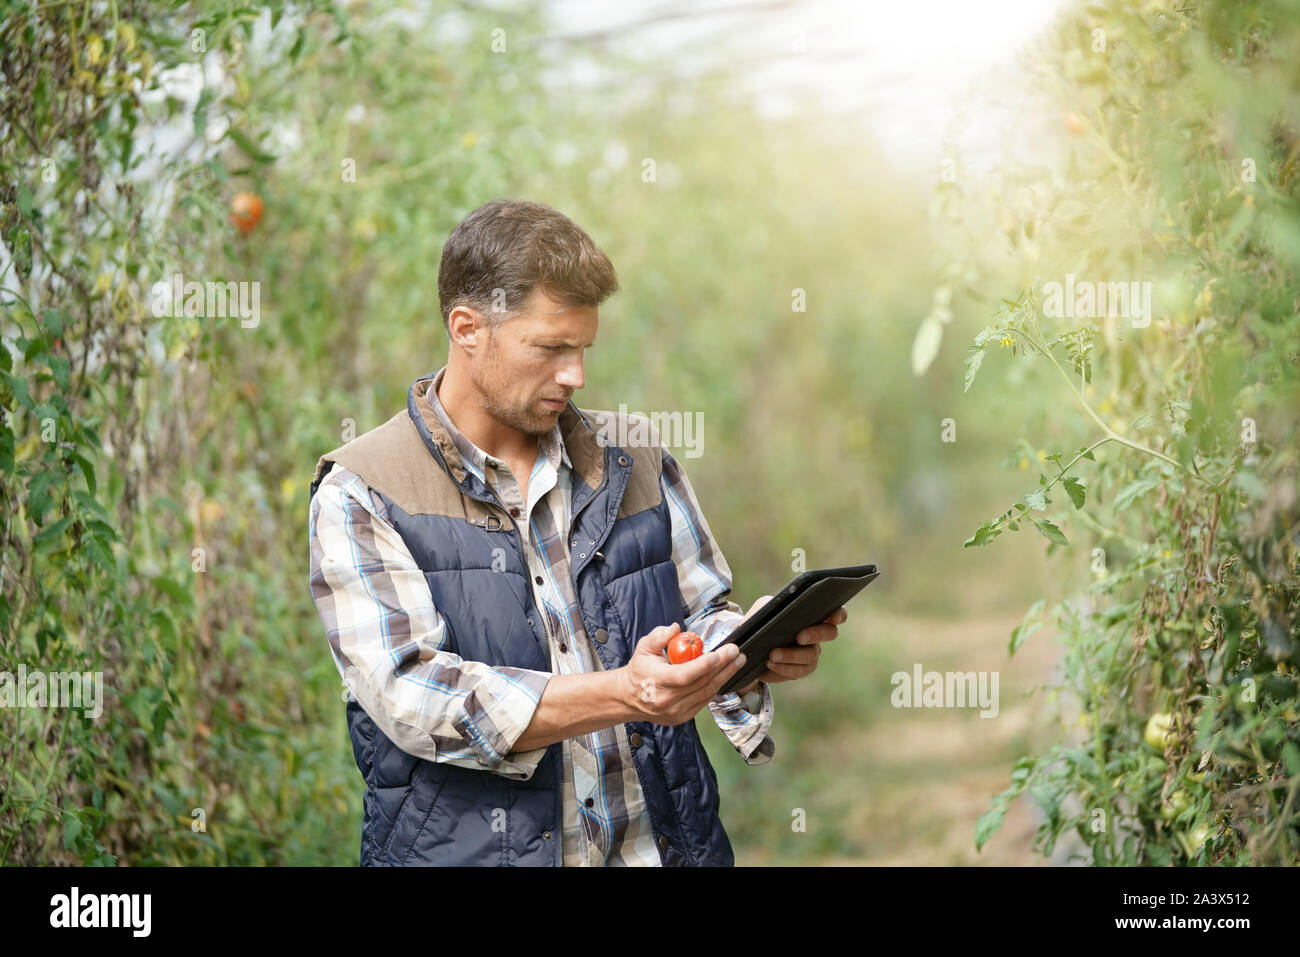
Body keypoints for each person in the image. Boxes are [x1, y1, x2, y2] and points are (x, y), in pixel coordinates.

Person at [307, 199, 846, 866]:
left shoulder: (639, 457)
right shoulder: (365, 488)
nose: (576, 375)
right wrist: (623, 691)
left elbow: (698, 619)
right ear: (467, 327)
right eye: (552, 348)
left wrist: (741, 651)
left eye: (584, 348)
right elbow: (414, 694)